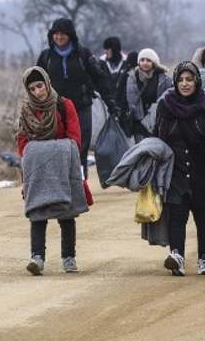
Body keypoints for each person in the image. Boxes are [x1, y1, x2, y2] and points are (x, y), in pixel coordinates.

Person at [154, 61, 205, 276]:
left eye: (189, 79)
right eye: (180, 80)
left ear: (197, 81)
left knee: (203, 217)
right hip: (176, 171)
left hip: (203, 171)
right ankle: (177, 256)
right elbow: (155, 138)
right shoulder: (165, 106)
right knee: (177, 216)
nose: (185, 84)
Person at [16, 67, 87, 275]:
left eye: (40, 86)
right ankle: (37, 258)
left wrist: (48, 152)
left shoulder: (65, 106)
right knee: (37, 214)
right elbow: (22, 142)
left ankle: (69, 258)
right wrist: (35, 156)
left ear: (47, 83)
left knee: (66, 213)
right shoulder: (27, 110)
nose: (38, 92)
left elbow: (75, 139)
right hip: (37, 169)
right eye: (33, 88)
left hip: (63, 168)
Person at [37, 17, 118, 178]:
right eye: (56, 33)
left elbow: (100, 78)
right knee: (58, 147)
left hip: (81, 107)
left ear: (70, 35)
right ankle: (62, 184)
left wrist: (111, 103)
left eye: (63, 34)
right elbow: (36, 83)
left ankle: (81, 183)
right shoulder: (46, 57)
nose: (59, 37)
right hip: (55, 109)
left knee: (80, 146)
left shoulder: (83, 54)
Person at [125, 48, 172, 143]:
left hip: (157, 124)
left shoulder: (164, 79)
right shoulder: (132, 78)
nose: (145, 63)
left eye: (148, 60)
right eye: (142, 60)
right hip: (138, 125)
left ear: (154, 62)